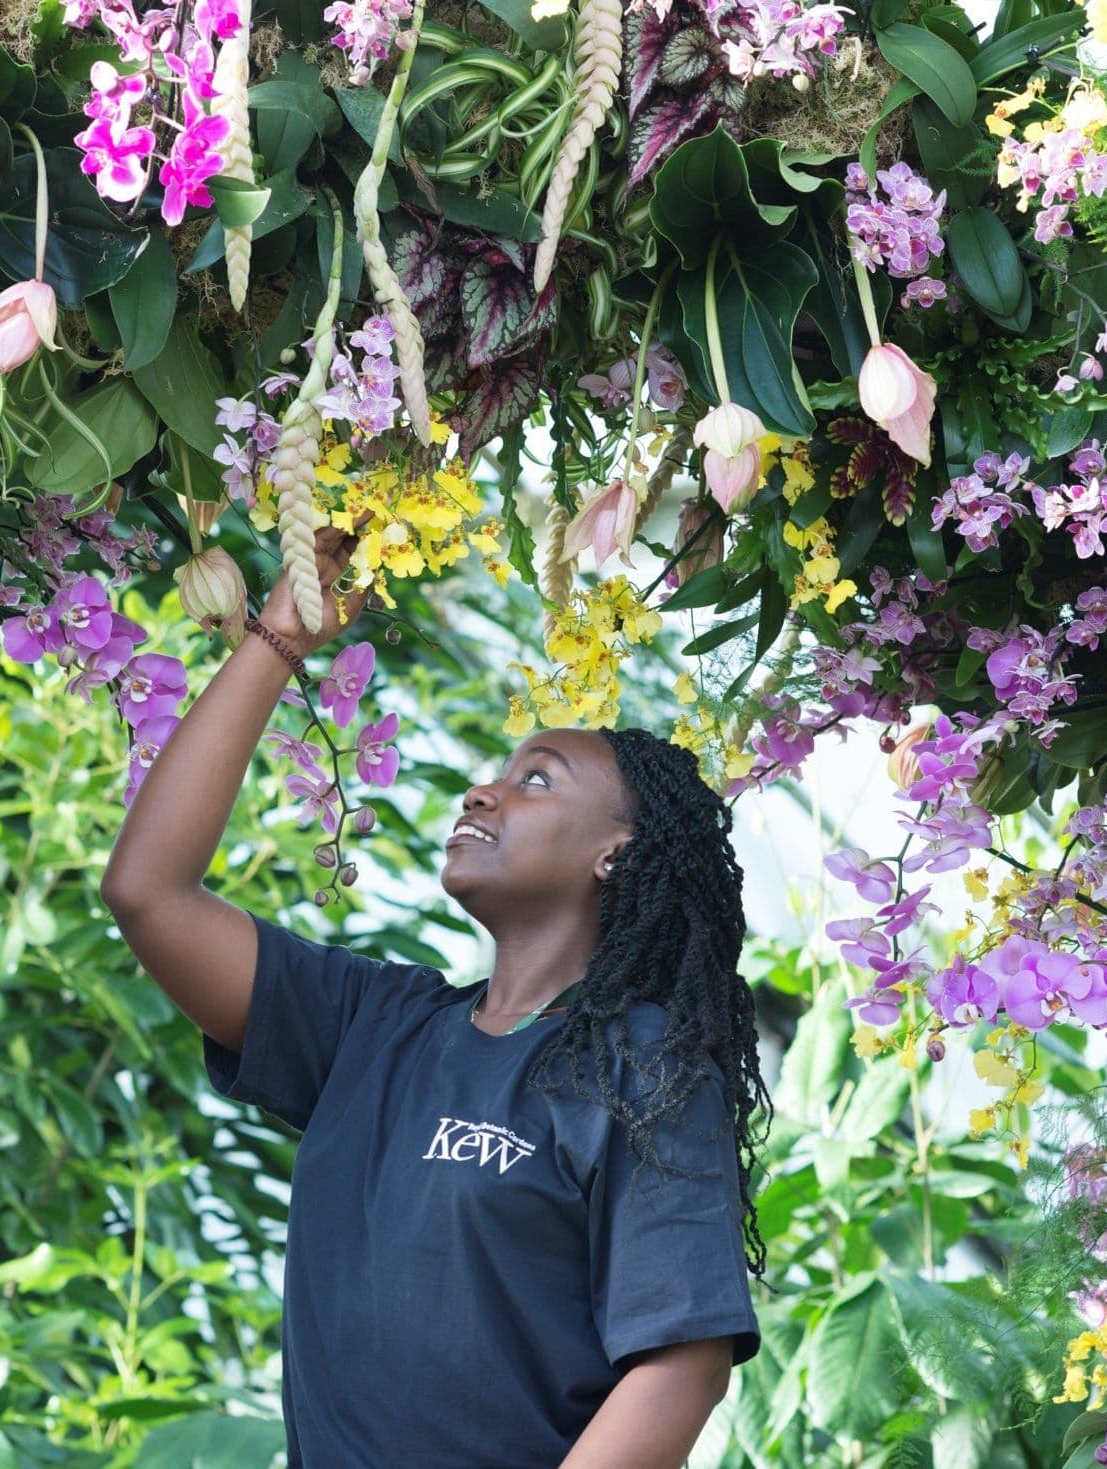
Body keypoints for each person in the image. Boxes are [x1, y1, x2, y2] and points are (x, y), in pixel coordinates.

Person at [101, 527, 771, 1469]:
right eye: (498, 773)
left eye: (535, 779)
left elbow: (683, 1364)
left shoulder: (641, 1063)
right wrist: (282, 637)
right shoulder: (371, 1027)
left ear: (613, 852)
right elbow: (149, 892)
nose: (482, 792)